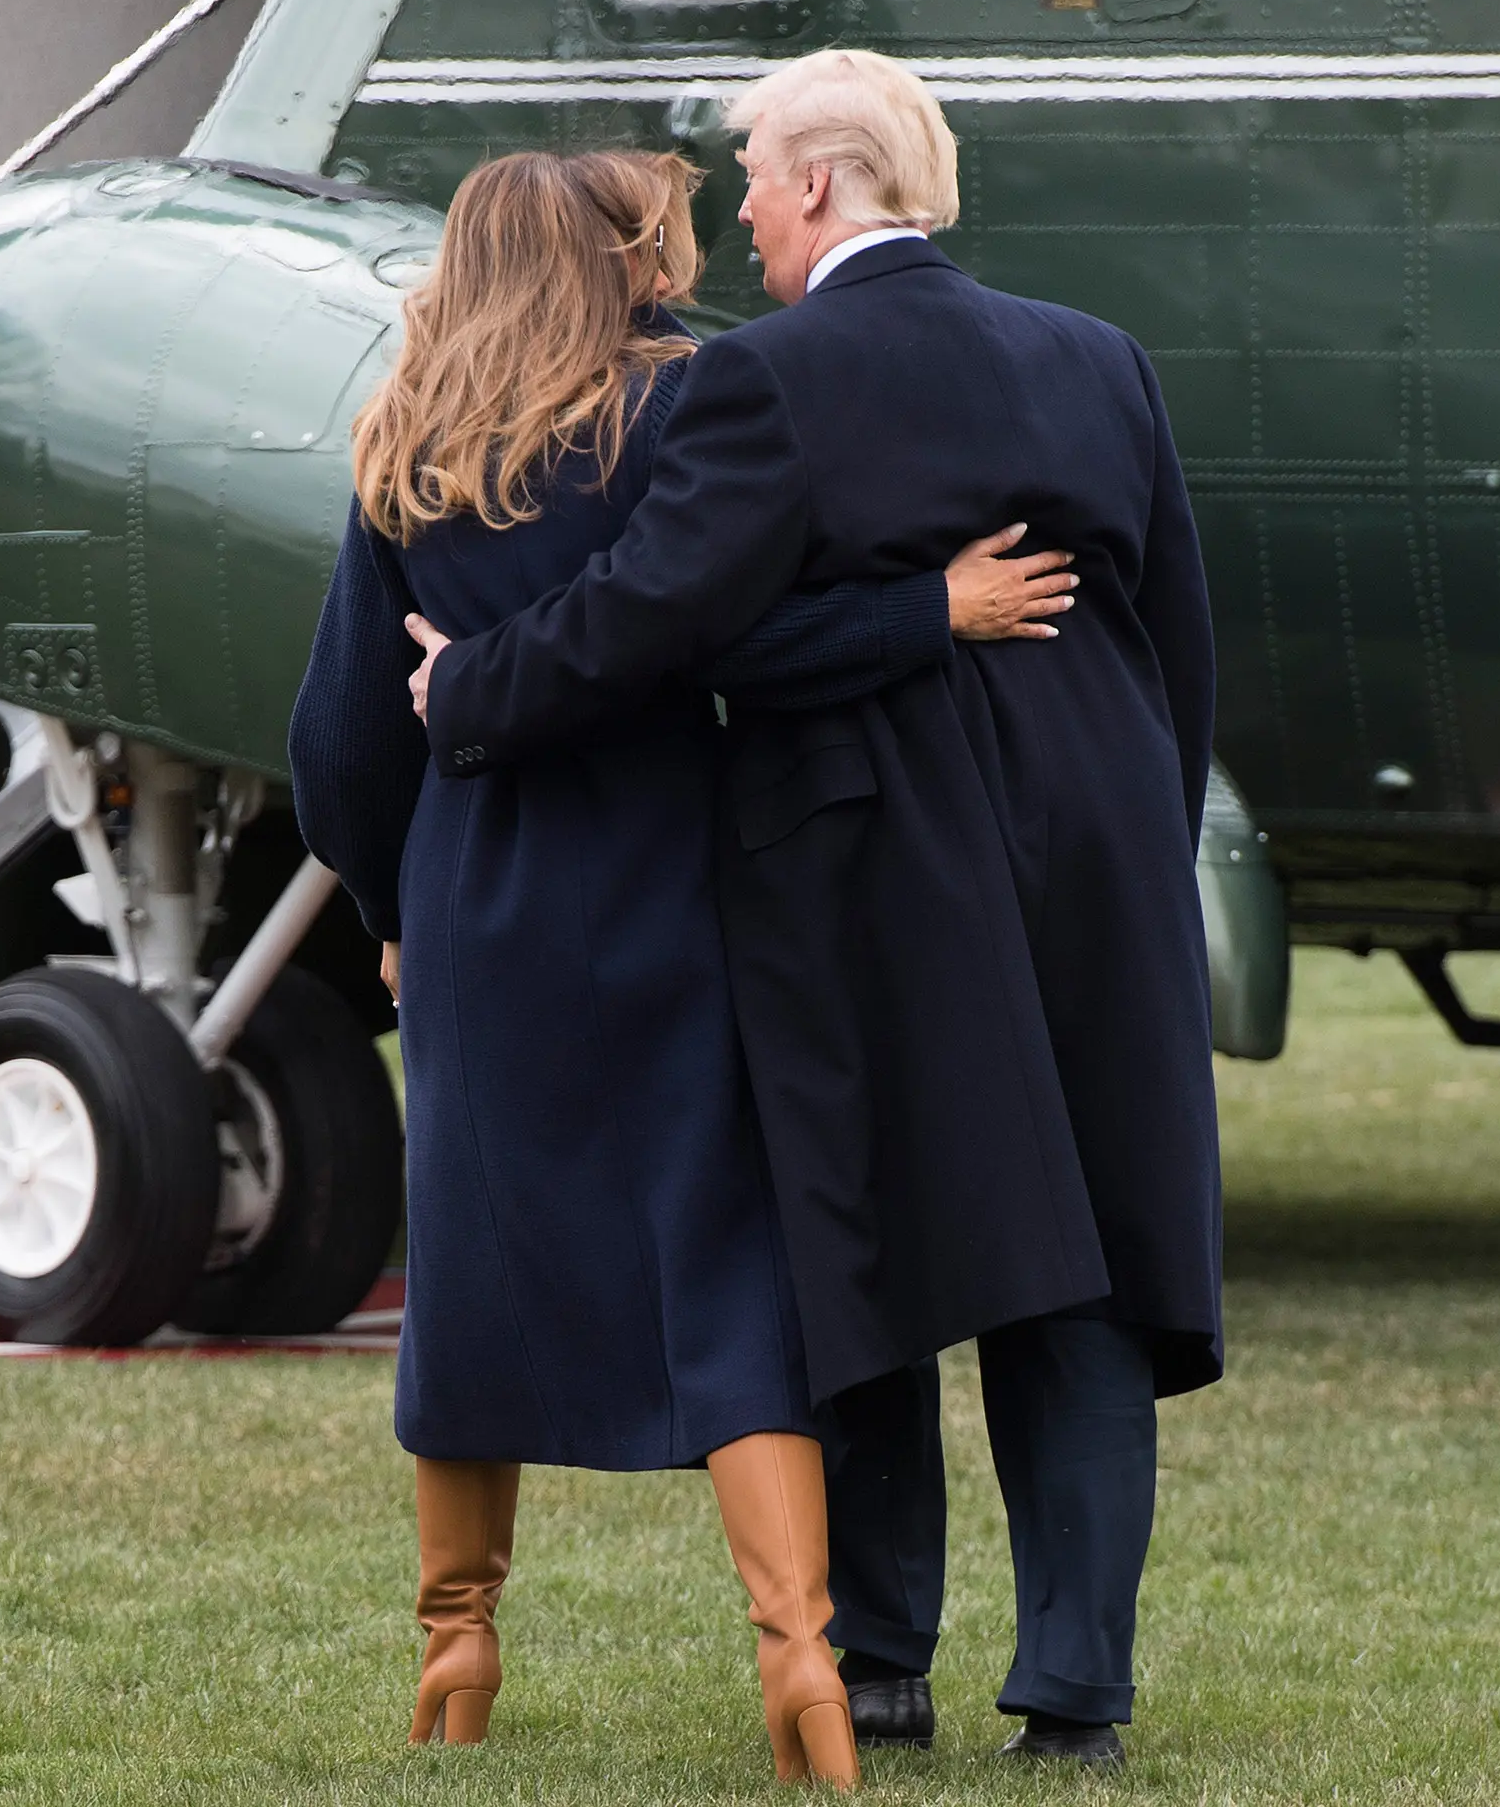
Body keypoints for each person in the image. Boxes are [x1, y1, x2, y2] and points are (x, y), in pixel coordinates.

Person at [411, 52, 1223, 1769]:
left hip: (871, 857)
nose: (746, 213)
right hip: (1104, 857)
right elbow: (1175, 645)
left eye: (760, 178)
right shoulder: (1103, 363)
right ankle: (1077, 1689)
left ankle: (884, 1663)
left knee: (857, 1245)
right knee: (1082, 1265)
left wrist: (473, 687)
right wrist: (1131, 830)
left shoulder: (763, 385)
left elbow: (661, 627)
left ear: (831, 183)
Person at [289, 149, 1072, 1788]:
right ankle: (799, 1657)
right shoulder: (688, 408)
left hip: (478, 903)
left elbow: (339, 741)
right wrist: (922, 612)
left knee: (474, 1280)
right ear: (606, 258)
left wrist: (390, 899)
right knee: (727, 1275)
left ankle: (458, 1643)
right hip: (666, 888)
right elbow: (739, 643)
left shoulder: (410, 438)